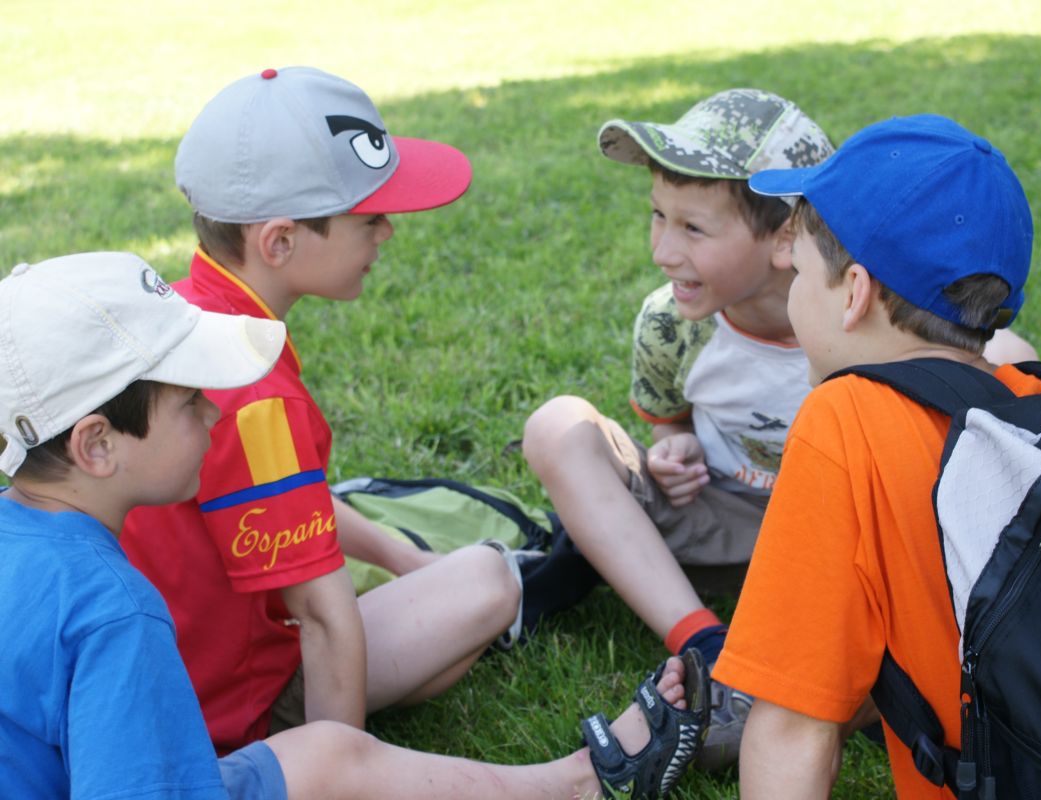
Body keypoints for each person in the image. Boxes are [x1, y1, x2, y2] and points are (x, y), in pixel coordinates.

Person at [0, 251, 710, 800]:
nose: (214, 412)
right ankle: (579, 783)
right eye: (190, 403)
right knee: (332, 756)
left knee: (326, 749)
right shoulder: (114, 609)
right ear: (97, 445)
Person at [521, 89, 1035, 771]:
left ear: (788, 238)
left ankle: (808, 687)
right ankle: (701, 639)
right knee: (556, 426)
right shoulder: (671, 323)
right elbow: (669, 417)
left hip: (842, 543)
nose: (662, 250)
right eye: (657, 216)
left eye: (693, 228)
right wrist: (674, 448)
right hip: (722, 513)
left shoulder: (872, 331)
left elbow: (981, 382)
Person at [118, 66, 522, 754]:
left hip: (142, 686)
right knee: (489, 582)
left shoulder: (175, 309)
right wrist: (342, 767)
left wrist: (401, 557)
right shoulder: (257, 396)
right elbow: (326, 618)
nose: (388, 232)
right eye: (368, 218)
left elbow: (280, 496)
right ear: (279, 242)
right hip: (225, 709)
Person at [712, 114, 1041, 798]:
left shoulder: (845, 421)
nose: (792, 286)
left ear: (855, 293)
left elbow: (793, 726)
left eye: (800, 270)